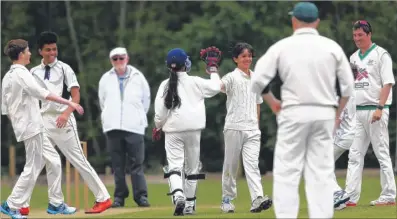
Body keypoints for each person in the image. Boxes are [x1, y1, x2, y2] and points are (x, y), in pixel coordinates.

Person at [251, 2, 355, 218]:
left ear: (293, 21)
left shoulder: (282, 46)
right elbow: (347, 87)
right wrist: (337, 112)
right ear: (317, 22)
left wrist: (272, 102)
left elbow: (258, 81)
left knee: (287, 171)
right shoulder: (331, 47)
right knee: (321, 171)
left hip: (293, 112)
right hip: (324, 112)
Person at [27, 31, 112, 214]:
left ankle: (103, 198)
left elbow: (75, 95)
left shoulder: (65, 68)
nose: (52, 53)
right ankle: (52, 203)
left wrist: (66, 114)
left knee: (78, 160)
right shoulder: (33, 72)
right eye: (48, 50)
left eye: (55, 49)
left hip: (63, 120)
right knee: (45, 162)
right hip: (43, 120)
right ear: (40, 51)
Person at [0, 39, 84, 219]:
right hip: (32, 127)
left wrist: (18, 122)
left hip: (28, 126)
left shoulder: (8, 76)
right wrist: (70, 102)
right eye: (28, 51)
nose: (30, 54)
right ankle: (12, 204)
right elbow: (43, 94)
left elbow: (5, 109)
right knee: (33, 166)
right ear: (21, 54)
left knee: (53, 160)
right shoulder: (22, 74)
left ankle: (55, 203)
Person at [153, 48, 221, 216]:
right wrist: (212, 70)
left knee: (175, 165)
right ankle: (190, 204)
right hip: (193, 130)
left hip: (173, 130)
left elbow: (160, 113)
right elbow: (216, 87)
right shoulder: (195, 81)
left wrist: (158, 126)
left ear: (169, 67)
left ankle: (178, 195)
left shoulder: (164, 85)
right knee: (192, 168)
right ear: (186, 64)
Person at [343, 20, 396, 207]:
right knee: (354, 154)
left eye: (360, 35)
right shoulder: (353, 58)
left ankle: (389, 195)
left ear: (369, 34)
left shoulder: (381, 55)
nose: (357, 39)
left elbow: (387, 83)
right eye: (355, 35)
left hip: (376, 110)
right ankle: (349, 196)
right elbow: (351, 86)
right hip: (357, 112)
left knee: (381, 152)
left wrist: (380, 108)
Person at [218, 43, 273, 214]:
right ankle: (227, 199)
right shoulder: (231, 77)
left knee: (252, 165)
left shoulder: (257, 78)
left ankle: (257, 198)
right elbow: (218, 87)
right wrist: (212, 71)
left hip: (252, 129)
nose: (247, 59)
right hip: (234, 127)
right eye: (243, 56)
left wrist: (256, 126)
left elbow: (258, 103)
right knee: (231, 165)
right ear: (235, 59)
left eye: (249, 55)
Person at [98, 47, 151, 208]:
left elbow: (146, 100)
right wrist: (109, 116)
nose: (119, 62)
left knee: (137, 164)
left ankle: (140, 196)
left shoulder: (138, 77)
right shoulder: (105, 79)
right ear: (111, 61)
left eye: (121, 58)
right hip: (113, 126)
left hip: (134, 126)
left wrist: (137, 116)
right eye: (115, 59)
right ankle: (119, 197)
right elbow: (103, 101)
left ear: (127, 58)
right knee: (117, 165)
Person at [331, 65, 357, 210]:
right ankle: (338, 202)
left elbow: (337, 119)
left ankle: (337, 193)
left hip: (341, 136)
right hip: (350, 135)